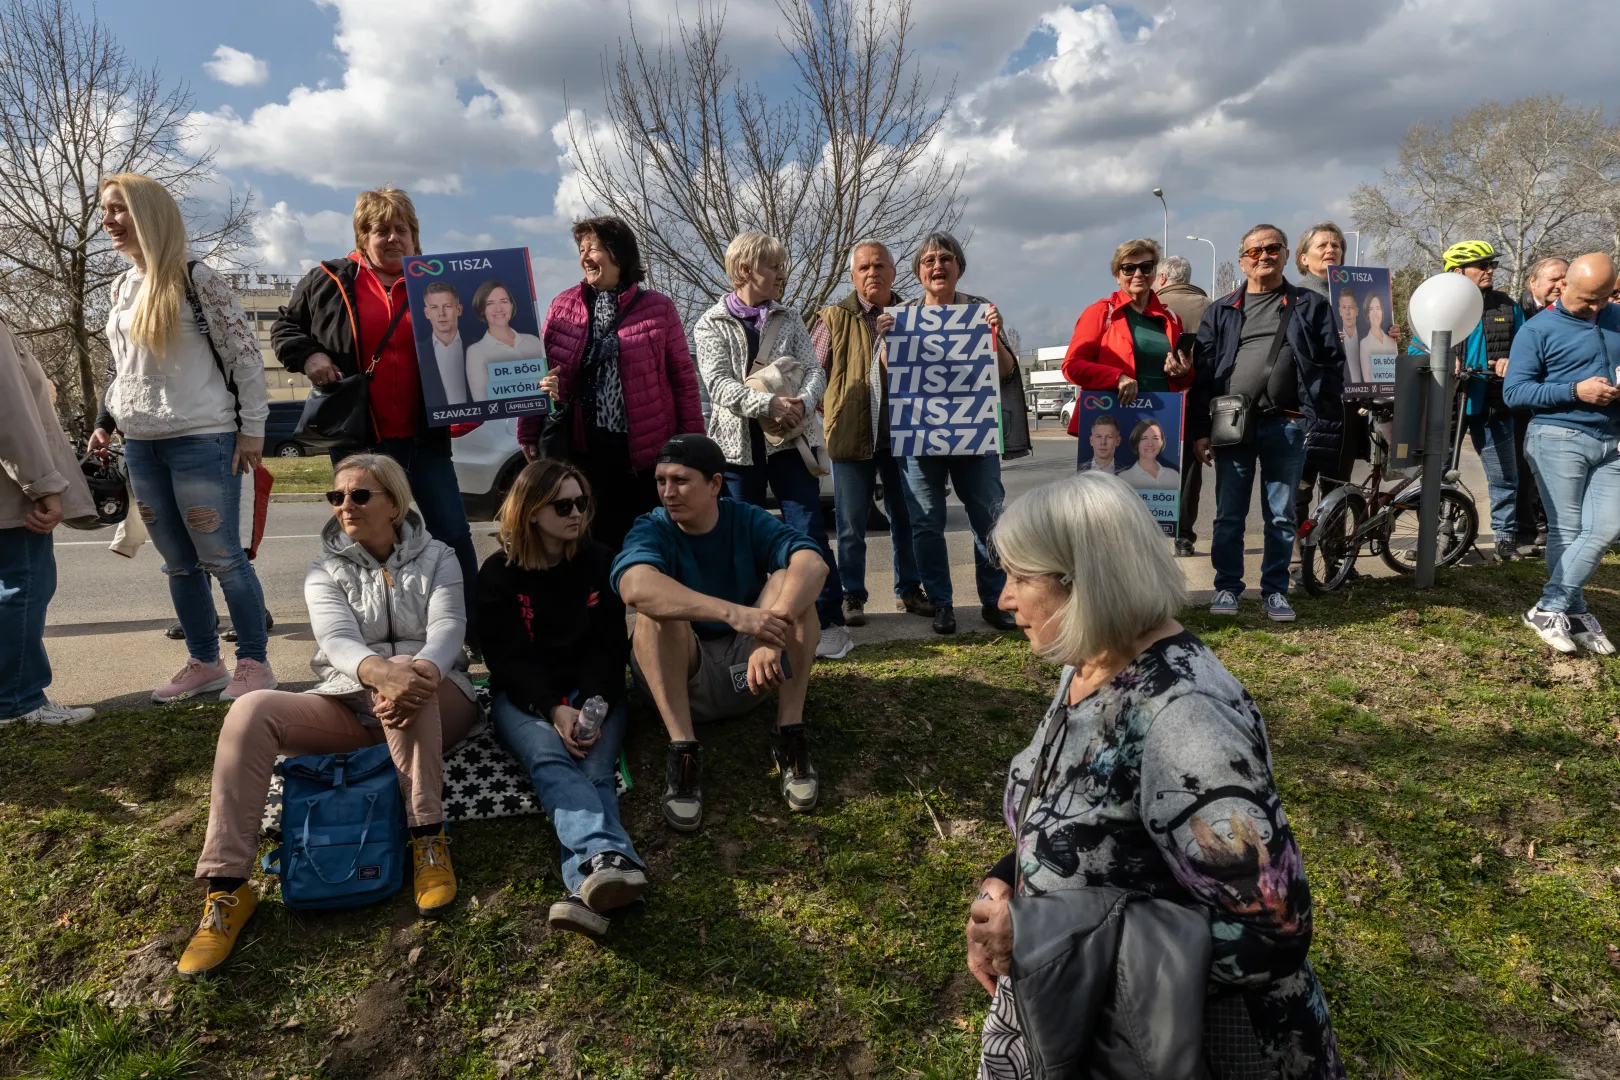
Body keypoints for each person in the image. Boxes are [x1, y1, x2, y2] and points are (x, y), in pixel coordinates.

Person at [965, 472, 1345, 1080]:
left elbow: (1272, 935)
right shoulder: (1092, 663)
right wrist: (1005, 881)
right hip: (1104, 1023)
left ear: (1084, 583)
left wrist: (1041, 936)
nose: (1004, 598)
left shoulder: (1184, 721)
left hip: (1195, 1045)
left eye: (1020, 577)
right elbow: (1077, 815)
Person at [176, 453, 479, 978]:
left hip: (437, 694)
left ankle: (428, 841)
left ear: (395, 503)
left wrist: (411, 673)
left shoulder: (439, 557)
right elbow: (335, 639)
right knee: (250, 710)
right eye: (336, 496)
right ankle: (227, 890)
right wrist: (378, 674)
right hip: (353, 699)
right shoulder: (324, 568)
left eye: (359, 495)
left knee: (410, 683)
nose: (344, 506)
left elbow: (449, 628)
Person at [89, 173, 276, 702]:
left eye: (119, 209)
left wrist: (253, 430)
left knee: (223, 558)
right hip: (140, 443)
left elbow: (245, 357)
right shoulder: (121, 286)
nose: (108, 221)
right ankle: (204, 661)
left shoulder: (197, 278)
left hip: (203, 438)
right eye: (104, 211)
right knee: (177, 563)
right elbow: (123, 367)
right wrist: (106, 422)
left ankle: (255, 663)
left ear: (149, 214)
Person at [271, 185, 482, 643]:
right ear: (361, 236)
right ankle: (371, 636)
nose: (392, 238)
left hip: (424, 440)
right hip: (358, 442)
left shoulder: (442, 282)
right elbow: (284, 327)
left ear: (415, 235)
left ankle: (472, 633)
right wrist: (309, 356)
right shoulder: (328, 280)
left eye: (401, 229)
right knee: (368, 538)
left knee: (451, 532)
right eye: (380, 230)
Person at [613, 434, 826, 831]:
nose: (668, 492)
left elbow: (813, 564)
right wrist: (734, 614)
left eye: (680, 480)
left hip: (754, 672)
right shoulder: (652, 526)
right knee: (657, 612)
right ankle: (684, 751)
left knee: (791, 584)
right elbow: (635, 587)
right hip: (684, 678)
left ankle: (789, 734)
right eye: (661, 481)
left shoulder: (745, 518)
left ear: (714, 484)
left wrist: (769, 632)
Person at [478, 459, 646, 937]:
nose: (576, 514)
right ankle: (611, 859)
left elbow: (609, 648)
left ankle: (587, 886)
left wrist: (590, 705)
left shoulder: (599, 559)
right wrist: (553, 708)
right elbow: (507, 661)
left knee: (594, 769)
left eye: (581, 503)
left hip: (595, 692)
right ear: (531, 512)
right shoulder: (497, 574)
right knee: (549, 758)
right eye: (563, 506)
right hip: (526, 697)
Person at [693, 232, 850, 660]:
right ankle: (748, 627)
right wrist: (769, 404)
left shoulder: (790, 317)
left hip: (790, 445)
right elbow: (718, 384)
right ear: (745, 270)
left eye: (782, 266)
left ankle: (828, 621)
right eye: (773, 266)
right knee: (739, 540)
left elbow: (815, 371)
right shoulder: (710, 323)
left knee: (807, 532)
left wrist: (804, 403)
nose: (782, 274)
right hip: (736, 451)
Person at [515, 217, 704, 551]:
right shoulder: (562, 306)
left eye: (594, 248)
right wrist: (529, 429)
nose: (585, 256)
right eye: (581, 249)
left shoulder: (658, 308)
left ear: (619, 254)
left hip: (643, 458)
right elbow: (540, 373)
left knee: (646, 547)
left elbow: (684, 381)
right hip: (583, 453)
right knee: (590, 548)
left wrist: (692, 446)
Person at [1189, 224, 1345, 623]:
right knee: (1229, 514)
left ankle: (1275, 590)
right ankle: (1227, 586)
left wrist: (1311, 415)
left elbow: (1332, 363)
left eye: (1272, 248)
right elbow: (1203, 375)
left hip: (1287, 426)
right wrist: (1200, 431)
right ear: (1242, 261)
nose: (1264, 256)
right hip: (1232, 425)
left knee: (1279, 515)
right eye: (1255, 251)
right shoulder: (1221, 310)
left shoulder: (1309, 305)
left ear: (1286, 254)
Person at [899, 231, 1020, 636]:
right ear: (919, 271)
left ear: (959, 267)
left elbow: (1006, 371)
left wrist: (994, 334)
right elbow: (888, 376)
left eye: (946, 258)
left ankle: (994, 600)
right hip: (920, 436)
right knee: (926, 522)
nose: (938, 265)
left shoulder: (981, 310)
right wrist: (888, 340)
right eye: (929, 260)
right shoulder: (904, 315)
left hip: (975, 434)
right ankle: (941, 603)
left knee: (988, 518)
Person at [1504, 253, 1620, 655]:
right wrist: (1575, 391)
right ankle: (1573, 610)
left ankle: (1552, 608)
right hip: (1558, 436)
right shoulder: (1537, 329)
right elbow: (1515, 392)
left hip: (1613, 441)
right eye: (1587, 299)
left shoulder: (1615, 317)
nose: (1595, 307)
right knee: (1567, 531)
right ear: (1564, 285)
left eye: (1603, 298)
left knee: (1605, 529)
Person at [812, 240, 928, 626]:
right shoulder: (832, 317)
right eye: (864, 268)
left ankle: (909, 590)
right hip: (850, 440)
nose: (872, 273)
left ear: (894, 271)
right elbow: (812, 376)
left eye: (879, 265)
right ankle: (852, 595)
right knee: (850, 525)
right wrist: (835, 415)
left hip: (904, 438)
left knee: (906, 518)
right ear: (852, 276)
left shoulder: (915, 316)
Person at [1, 314, 97, 726]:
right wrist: (44, 485)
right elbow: (11, 416)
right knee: (22, 587)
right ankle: (18, 702)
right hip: (11, 492)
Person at [1425, 240, 1528, 562]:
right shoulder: (1435, 303)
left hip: (1492, 403)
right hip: (1448, 404)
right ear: (1457, 271)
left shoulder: (1506, 306)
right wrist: (1438, 358)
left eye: (1492, 264)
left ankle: (1505, 539)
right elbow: (1417, 347)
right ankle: (1437, 537)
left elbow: (1527, 348)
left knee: (1504, 476)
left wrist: (1513, 361)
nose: (1490, 270)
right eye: (1482, 265)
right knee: (1439, 475)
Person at [1154, 255, 1210, 556]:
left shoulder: (1154, 307)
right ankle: (1184, 536)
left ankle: (1146, 531)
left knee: (1147, 461)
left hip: (1155, 400)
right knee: (1189, 469)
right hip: (1196, 401)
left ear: (1162, 278)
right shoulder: (1210, 307)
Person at [464, 280, 545, 402]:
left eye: (504, 301)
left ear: (511, 305)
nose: (499, 309)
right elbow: (483, 401)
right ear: (482, 310)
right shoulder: (476, 352)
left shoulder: (533, 341)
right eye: (490, 303)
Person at [423, 282, 468, 406]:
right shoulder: (417, 354)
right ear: (427, 313)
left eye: (447, 306)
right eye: (434, 307)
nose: (441, 313)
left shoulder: (479, 347)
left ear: (458, 310)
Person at [1115, 419, 1179, 489]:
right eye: (1144, 438)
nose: (1150, 444)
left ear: (1162, 442)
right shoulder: (1124, 478)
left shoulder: (1174, 475)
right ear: (1136, 442)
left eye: (1155, 438)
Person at [1293, 220, 1346, 298]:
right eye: (1322, 246)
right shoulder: (1297, 295)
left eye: (1335, 246)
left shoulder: (1351, 293)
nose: (1330, 250)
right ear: (1304, 259)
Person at [1358, 292, 1398, 384]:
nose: (1375, 313)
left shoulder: (1392, 340)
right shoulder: (1364, 344)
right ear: (1367, 314)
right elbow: (1367, 380)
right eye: (1371, 309)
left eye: (1378, 308)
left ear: (1382, 312)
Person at [1336, 290, 1364, 381]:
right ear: (1340, 311)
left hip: (1370, 389)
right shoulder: (1334, 340)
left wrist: (1391, 339)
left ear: (1356, 311)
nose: (1347, 312)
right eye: (1344, 308)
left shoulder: (1368, 337)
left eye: (1350, 307)